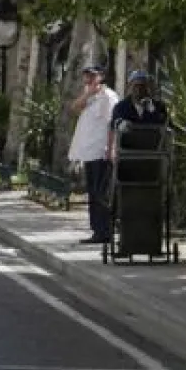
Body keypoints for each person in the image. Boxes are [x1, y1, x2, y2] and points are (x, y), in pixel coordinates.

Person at [67, 64, 120, 245]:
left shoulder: (108, 97)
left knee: (100, 193)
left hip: (101, 152)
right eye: (86, 75)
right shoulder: (89, 97)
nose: (88, 79)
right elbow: (74, 108)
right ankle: (97, 230)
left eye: (92, 76)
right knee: (93, 192)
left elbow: (112, 125)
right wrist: (88, 93)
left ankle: (105, 231)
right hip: (88, 153)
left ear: (101, 77)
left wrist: (110, 148)